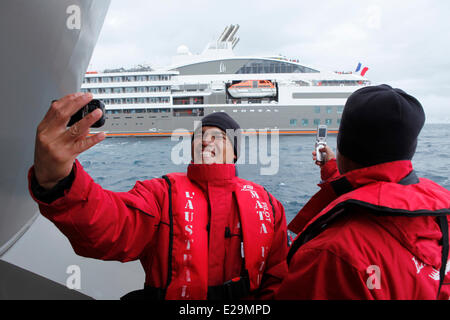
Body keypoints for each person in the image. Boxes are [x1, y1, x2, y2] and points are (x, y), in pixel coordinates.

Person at [29, 92, 289, 300]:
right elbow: (112, 225)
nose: (206, 142)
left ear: (235, 153)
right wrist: (60, 180)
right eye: (199, 137)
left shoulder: (270, 205)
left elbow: (277, 280)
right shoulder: (160, 193)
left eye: (217, 137)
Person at [276, 84, 450, 300]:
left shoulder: (330, 253)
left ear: (343, 146)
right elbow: (379, 190)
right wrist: (333, 170)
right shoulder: (442, 214)